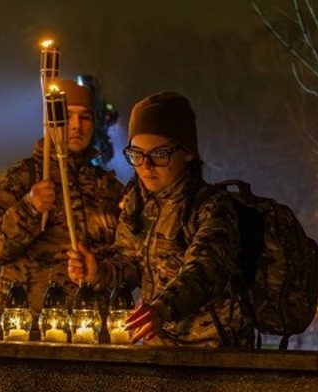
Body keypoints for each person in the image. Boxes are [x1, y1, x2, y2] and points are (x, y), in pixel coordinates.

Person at [68, 91, 252, 347]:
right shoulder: (137, 205)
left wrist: (162, 309)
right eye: (137, 154)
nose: (146, 166)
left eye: (159, 154)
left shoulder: (211, 207)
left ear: (187, 153)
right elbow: (130, 262)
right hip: (158, 347)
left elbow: (204, 271)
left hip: (212, 350)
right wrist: (100, 271)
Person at [0, 79, 123, 311]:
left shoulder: (108, 188)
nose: (76, 125)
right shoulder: (24, 177)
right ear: (51, 122)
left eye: (85, 117)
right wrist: (28, 208)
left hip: (90, 325)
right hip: (28, 324)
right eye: (67, 116)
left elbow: (129, 255)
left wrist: (101, 271)